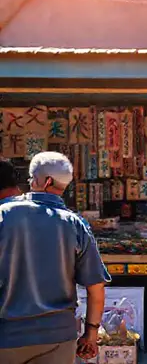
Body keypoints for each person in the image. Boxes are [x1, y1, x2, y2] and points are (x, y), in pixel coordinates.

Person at [0, 152, 110, 364]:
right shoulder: (75, 224)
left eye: (32, 178)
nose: (30, 182)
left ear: (45, 181)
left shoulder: (4, 214)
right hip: (58, 336)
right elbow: (96, 287)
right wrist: (91, 333)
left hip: (7, 335)